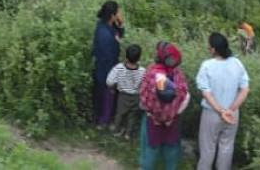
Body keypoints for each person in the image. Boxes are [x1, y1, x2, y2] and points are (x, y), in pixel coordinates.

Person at [196, 32, 250, 170]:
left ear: (213, 49)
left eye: (209, 47)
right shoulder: (237, 63)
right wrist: (230, 110)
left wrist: (220, 111)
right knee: (226, 148)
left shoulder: (207, 65)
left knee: (207, 149)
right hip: (233, 114)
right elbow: (245, 90)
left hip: (212, 113)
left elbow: (206, 92)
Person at [139, 41, 190, 170]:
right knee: (171, 149)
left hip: (152, 120)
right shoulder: (178, 75)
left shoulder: (151, 72)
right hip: (172, 121)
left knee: (150, 148)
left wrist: (153, 114)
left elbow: (143, 95)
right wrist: (173, 115)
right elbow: (185, 96)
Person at [93, 0, 125, 126]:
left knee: (106, 97)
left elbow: (119, 35)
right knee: (105, 97)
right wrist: (112, 79)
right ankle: (102, 121)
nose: (120, 14)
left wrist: (120, 25)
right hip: (105, 71)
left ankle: (104, 118)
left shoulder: (107, 25)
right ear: (112, 15)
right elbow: (108, 58)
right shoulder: (105, 35)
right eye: (118, 12)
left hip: (107, 67)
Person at [106, 42, 145, 140]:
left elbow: (109, 81)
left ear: (126, 55)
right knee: (132, 116)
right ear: (139, 57)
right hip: (136, 96)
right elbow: (145, 84)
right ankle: (128, 134)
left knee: (120, 114)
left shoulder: (119, 68)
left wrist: (112, 88)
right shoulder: (142, 71)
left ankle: (117, 130)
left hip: (123, 96)